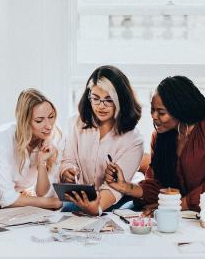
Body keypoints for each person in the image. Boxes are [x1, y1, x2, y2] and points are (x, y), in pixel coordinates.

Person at [105, 76, 205, 214]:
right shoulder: (160, 138)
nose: (154, 117)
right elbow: (158, 185)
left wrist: (178, 205)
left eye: (161, 112)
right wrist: (125, 186)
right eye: (152, 110)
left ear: (179, 110)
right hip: (190, 216)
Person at [59, 65, 144, 215]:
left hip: (116, 200)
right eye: (96, 99)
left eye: (108, 100)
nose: (101, 106)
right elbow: (68, 159)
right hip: (84, 199)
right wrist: (67, 171)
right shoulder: (75, 123)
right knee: (67, 210)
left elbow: (115, 187)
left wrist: (96, 207)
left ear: (121, 100)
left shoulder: (133, 139)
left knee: (72, 210)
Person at [0, 89, 63, 209]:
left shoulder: (55, 135)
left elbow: (43, 193)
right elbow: (6, 198)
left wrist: (42, 163)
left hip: (24, 204)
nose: (49, 126)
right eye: (39, 120)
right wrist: (53, 203)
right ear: (24, 121)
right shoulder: (3, 136)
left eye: (51, 117)